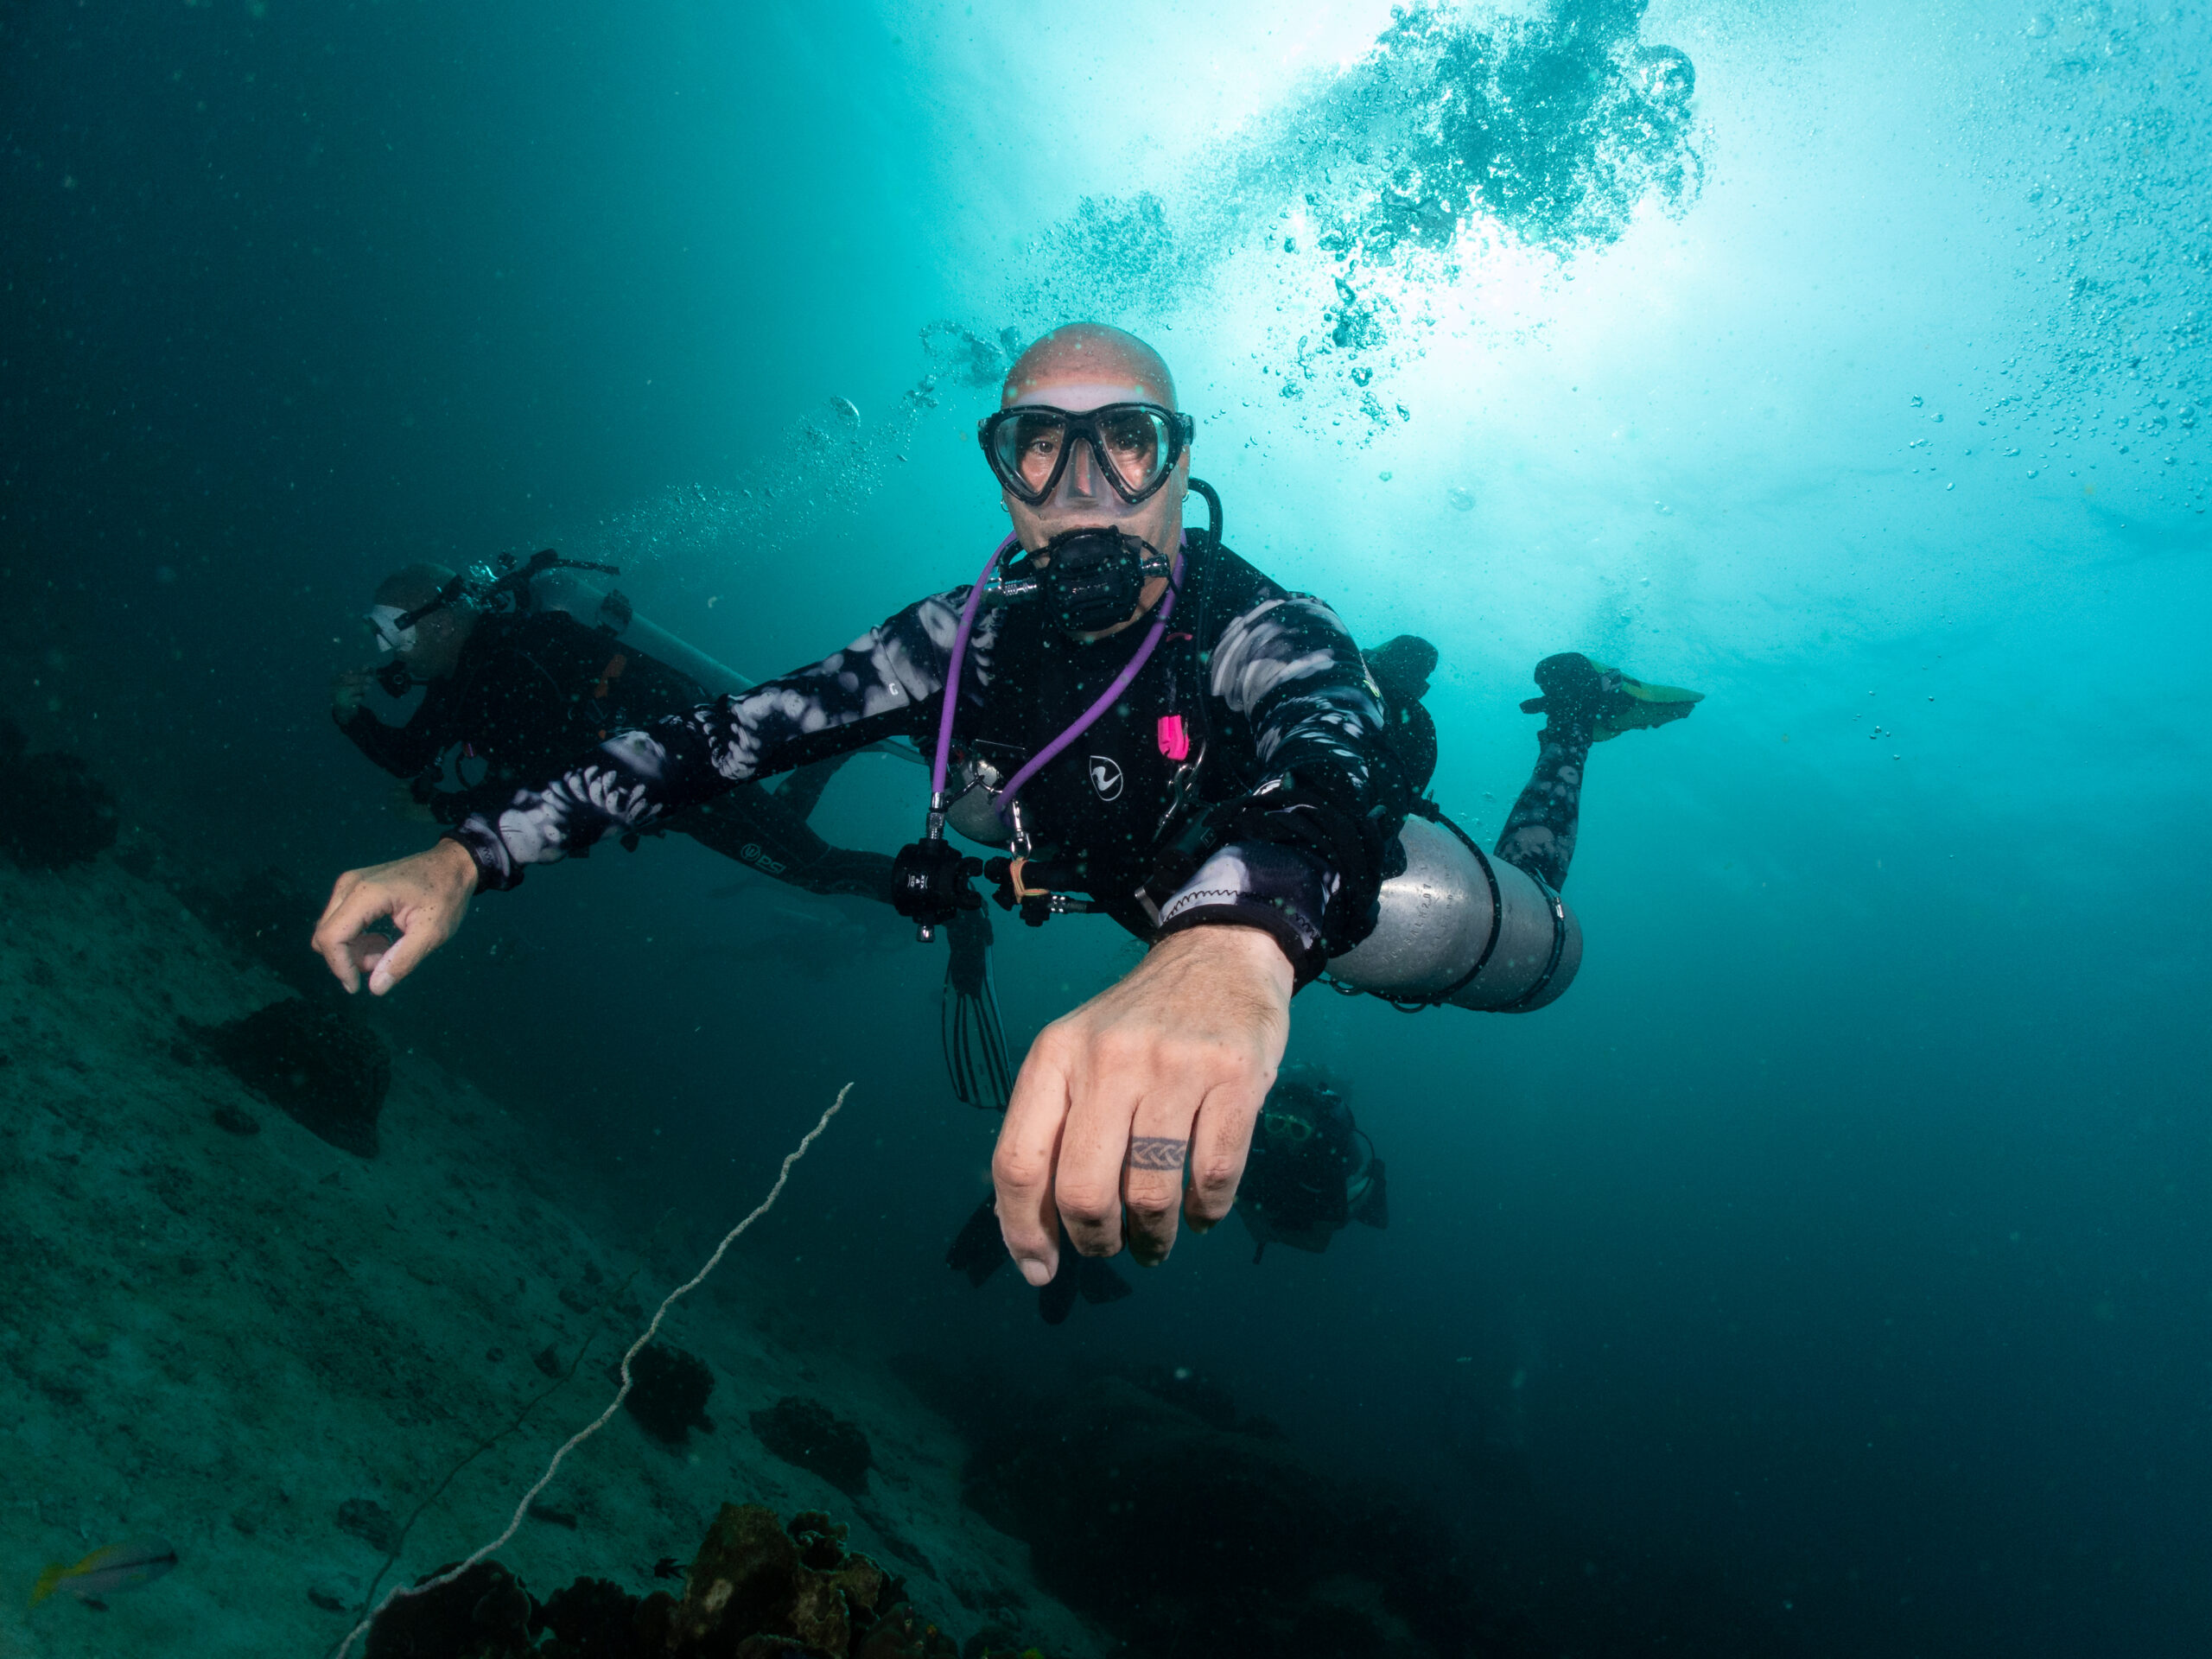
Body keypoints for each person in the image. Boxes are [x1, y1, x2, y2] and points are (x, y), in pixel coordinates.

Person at [309, 322, 1696, 1287]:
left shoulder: (1249, 616)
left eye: (1127, 443)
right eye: (1043, 446)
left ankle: (1574, 722)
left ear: (1180, 464)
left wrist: (1232, 942)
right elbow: (719, 737)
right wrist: (465, 853)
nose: (1086, 488)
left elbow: (1317, 730)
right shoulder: (952, 640)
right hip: (1168, 911)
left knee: (1522, 948)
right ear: (1001, 475)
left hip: (1299, 884)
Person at [333, 559, 1009, 1106]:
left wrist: (450, 813)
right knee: (786, 844)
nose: (390, 649)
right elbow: (412, 753)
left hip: (681, 770)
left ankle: (955, 904)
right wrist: (351, 714)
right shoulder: (458, 681)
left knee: (811, 867)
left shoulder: (510, 664)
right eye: (382, 634)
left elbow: (551, 769)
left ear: (444, 618)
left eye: (396, 631)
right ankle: (829, 756)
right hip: (659, 784)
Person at [1236, 1064, 1387, 1264]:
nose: (1284, 1138)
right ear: (1265, 1122)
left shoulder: (1324, 1160)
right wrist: (1250, 1217)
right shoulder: (1251, 1138)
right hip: (1280, 1182)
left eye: (1298, 1130)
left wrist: (1270, 1230)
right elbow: (1223, 1184)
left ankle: (1373, 1178)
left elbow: (1319, 1242)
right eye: (1277, 1125)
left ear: (1312, 1132)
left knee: (1340, 1217)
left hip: (1313, 1179)